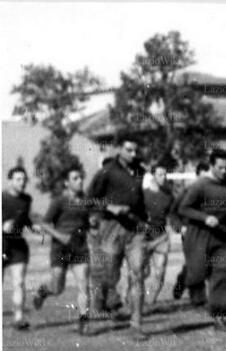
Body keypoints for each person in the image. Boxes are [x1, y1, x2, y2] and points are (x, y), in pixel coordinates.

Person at [86, 135, 149, 340]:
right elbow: (89, 200)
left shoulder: (141, 170)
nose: (133, 154)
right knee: (109, 276)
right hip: (112, 228)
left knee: (138, 273)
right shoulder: (107, 172)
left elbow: (142, 200)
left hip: (135, 230)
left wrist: (146, 222)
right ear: (119, 149)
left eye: (135, 150)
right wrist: (109, 207)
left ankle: (136, 324)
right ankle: (97, 311)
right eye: (129, 149)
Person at [177, 148, 226, 331]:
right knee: (197, 272)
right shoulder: (200, 185)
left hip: (220, 235)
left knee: (222, 272)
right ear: (211, 166)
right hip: (198, 235)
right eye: (220, 168)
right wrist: (204, 218)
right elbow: (184, 209)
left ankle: (219, 317)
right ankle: (191, 286)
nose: (224, 171)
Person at [32, 165, 92, 334]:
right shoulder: (59, 201)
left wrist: (93, 225)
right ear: (67, 183)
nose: (80, 181)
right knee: (58, 288)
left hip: (80, 247)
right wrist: (60, 235)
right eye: (75, 178)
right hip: (60, 249)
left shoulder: (86, 201)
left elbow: (87, 223)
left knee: (84, 286)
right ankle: (44, 291)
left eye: (81, 178)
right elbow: (44, 224)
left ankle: (84, 322)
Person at [2, 166, 36, 330]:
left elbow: (25, 219)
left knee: (19, 282)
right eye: (18, 179)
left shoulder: (27, 199)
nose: (22, 183)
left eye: (24, 179)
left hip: (17, 246)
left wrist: (33, 227)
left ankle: (19, 318)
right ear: (10, 180)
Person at [172, 162, 209, 303]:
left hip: (208, 234)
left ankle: (182, 279)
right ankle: (198, 297)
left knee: (204, 262)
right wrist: (180, 227)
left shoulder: (213, 192)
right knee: (196, 262)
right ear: (197, 176)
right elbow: (173, 213)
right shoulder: (187, 192)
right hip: (190, 233)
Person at [140, 163, 175, 307]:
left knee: (160, 272)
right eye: (160, 174)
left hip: (161, 237)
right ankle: (131, 298)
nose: (163, 177)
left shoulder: (168, 196)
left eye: (165, 174)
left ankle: (150, 302)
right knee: (142, 271)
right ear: (153, 175)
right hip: (144, 237)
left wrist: (174, 228)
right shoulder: (143, 195)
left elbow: (172, 217)